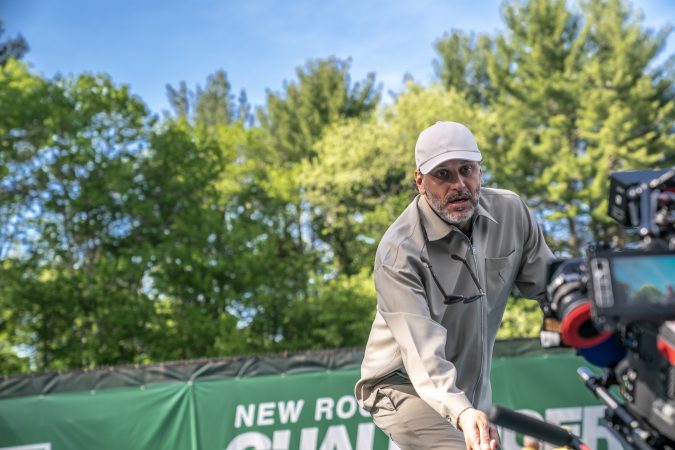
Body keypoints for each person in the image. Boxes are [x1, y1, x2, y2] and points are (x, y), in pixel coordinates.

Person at [355, 121, 554, 450]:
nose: (459, 185)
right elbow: (422, 355)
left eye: (466, 170)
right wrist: (462, 411)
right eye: (443, 175)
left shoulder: (513, 212)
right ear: (420, 181)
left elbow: (551, 287)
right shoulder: (398, 252)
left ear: (481, 171)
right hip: (400, 386)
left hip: (469, 393)